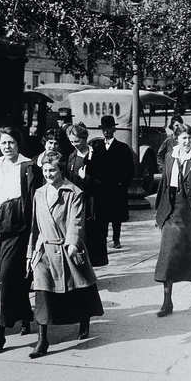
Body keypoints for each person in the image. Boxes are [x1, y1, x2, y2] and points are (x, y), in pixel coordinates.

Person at [26, 151, 104, 359]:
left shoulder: (74, 192)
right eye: (45, 170)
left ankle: (84, 320)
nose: (49, 174)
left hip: (66, 247)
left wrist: (72, 243)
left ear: (61, 170)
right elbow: (35, 226)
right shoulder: (39, 193)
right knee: (42, 292)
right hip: (44, 250)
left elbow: (76, 221)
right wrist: (30, 252)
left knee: (79, 287)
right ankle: (42, 340)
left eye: (53, 170)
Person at [0, 127, 41, 355]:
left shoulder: (28, 167)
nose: (7, 147)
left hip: (18, 225)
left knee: (6, 278)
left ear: (18, 144)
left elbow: (33, 199)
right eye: (4, 143)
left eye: (11, 143)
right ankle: (25, 315)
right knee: (6, 277)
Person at [154, 124, 191, 317]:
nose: (187, 142)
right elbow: (164, 184)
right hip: (172, 211)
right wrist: (160, 214)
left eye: (189, 138)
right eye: (183, 138)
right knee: (168, 255)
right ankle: (166, 301)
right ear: (176, 139)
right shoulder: (171, 155)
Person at [89, 115, 134, 249]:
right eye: (104, 129)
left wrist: (123, 184)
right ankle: (103, 239)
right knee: (101, 216)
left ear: (114, 130)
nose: (106, 131)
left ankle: (116, 239)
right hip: (101, 188)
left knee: (116, 216)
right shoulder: (96, 146)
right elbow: (91, 166)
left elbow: (129, 169)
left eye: (109, 129)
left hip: (116, 188)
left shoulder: (123, 147)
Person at [66, 123, 108, 266]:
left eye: (77, 141)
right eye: (71, 141)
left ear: (84, 138)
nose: (74, 144)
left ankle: (90, 269)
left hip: (93, 203)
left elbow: (106, 181)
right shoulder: (71, 157)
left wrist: (87, 178)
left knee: (92, 236)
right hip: (76, 202)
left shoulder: (97, 155)